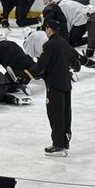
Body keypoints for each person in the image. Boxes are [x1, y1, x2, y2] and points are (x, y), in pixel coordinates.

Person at [26, 16, 75, 156]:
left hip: (54, 85)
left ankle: (58, 145)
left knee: (55, 114)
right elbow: (73, 61)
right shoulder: (64, 43)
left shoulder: (50, 45)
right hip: (66, 84)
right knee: (66, 113)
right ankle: (65, 142)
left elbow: (42, 64)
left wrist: (27, 74)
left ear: (48, 28)